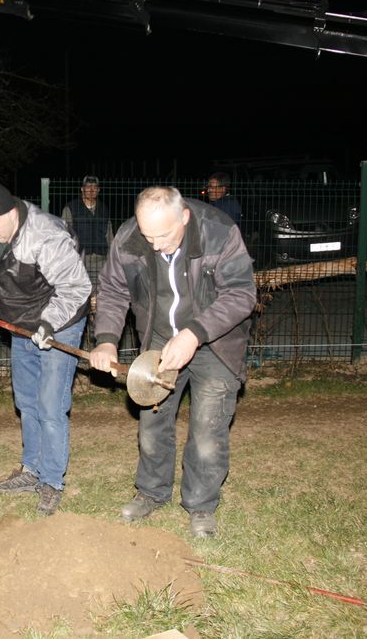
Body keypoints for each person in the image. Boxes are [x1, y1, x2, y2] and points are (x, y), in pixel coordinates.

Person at [89, 185, 255, 538]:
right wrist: (106, 340)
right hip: (160, 340)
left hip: (216, 343)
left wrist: (194, 333)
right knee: (152, 423)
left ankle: (201, 505)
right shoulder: (129, 239)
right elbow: (114, 290)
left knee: (208, 430)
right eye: (147, 235)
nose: (154, 245)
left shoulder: (219, 232)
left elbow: (241, 294)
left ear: (185, 217)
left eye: (163, 236)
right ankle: (151, 492)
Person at [0, 176, 91, 516]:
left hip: (60, 322)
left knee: (50, 405)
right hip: (21, 324)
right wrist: (2, 308)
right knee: (26, 401)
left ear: (12, 212)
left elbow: (77, 287)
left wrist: (48, 323)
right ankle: (31, 469)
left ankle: (51, 481)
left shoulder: (45, 235)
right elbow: (4, 276)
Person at [61, 174, 114, 291]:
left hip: (100, 259)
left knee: (98, 292)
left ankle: (95, 303)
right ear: (82, 189)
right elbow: (64, 235)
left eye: (94, 187)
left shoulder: (104, 209)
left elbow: (109, 235)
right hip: (80, 259)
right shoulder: (71, 208)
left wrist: (111, 256)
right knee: (79, 291)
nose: (91, 190)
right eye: (88, 186)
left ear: (98, 190)